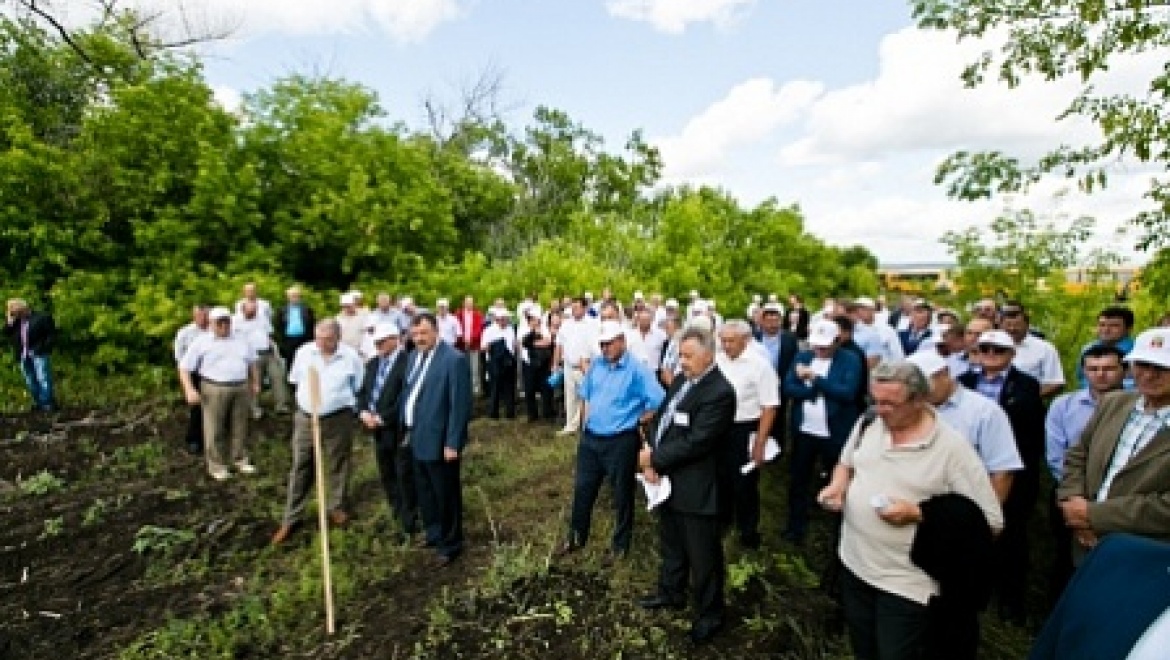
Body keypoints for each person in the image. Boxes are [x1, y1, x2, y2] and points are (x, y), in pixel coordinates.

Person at [818, 361, 1003, 660]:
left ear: (919, 400)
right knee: (864, 650)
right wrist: (838, 486)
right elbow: (847, 461)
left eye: (890, 403)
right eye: (875, 400)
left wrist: (920, 514)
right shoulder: (869, 422)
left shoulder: (952, 450)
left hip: (907, 584)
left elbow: (989, 523)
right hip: (855, 565)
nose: (881, 410)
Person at [636, 327, 737, 645]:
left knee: (703, 555)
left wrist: (654, 459)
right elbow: (662, 420)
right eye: (680, 355)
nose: (682, 361)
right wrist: (652, 455)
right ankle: (671, 593)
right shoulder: (682, 381)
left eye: (688, 356)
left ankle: (710, 614)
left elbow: (698, 442)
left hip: (698, 487)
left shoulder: (719, 392)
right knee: (672, 542)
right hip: (669, 482)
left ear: (709, 355)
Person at [1057, 327, 1170, 565]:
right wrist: (1073, 503)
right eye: (1142, 365)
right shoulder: (1113, 403)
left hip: (1149, 554)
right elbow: (1078, 455)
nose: (1149, 375)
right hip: (1085, 542)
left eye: (1161, 368)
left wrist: (1094, 515)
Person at [958, 330, 1046, 625]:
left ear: (1012, 354)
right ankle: (975, 597)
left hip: (1009, 471)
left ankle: (1011, 604)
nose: (991, 354)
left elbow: (1031, 436)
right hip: (968, 471)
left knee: (1010, 537)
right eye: (985, 348)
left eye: (998, 350)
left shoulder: (1026, 386)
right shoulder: (964, 381)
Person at [558, 321, 664, 561]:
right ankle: (576, 537)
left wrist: (638, 419)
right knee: (583, 490)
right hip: (592, 438)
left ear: (622, 342)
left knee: (622, 494)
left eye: (609, 344)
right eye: (602, 344)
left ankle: (620, 546)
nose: (605, 348)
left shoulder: (636, 370)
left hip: (620, 440)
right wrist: (584, 429)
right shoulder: (597, 366)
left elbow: (658, 400)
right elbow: (586, 396)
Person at [1044, 344, 1125, 603]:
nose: (1101, 374)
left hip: (1118, 502)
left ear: (1124, 371)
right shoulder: (1064, 406)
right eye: (1093, 369)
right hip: (1069, 495)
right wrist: (1075, 502)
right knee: (1066, 560)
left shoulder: (1137, 410)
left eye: (1109, 368)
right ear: (1084, 371)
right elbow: (1057, 456)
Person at [271, 319, 364, 544]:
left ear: (338, 338)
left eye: (328, 340)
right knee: (301, 464)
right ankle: (292, 517)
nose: (322, 343)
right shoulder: (305, 353)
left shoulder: (351, 357)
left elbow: (358, 385)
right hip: (306, 416)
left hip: (337, 418)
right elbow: (295, 380)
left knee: (337, 462)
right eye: (319, 338)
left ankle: (336, 507)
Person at [782, 319, 864, 544]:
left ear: (837, 342)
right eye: (816, 345)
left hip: (835, 433)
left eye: (825, 346)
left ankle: (839, 532)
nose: (819, 350)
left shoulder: (851, 360)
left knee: (837, 480)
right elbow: (788, 386)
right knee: (799, 480)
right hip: (805, 431)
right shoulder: (803, 357)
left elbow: (848, 392)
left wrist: (815, 380)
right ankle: (795, 528)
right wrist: (810, 393)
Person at [401, 313, 472, 567]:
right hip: (416, 435)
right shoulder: (413, 357)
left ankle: (451, 543)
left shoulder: (453, 360)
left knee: (446, 493)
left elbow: (460, 405)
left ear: (436, 332)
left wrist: (453, 442)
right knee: (425, 490)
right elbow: (411, 393)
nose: (419, 338)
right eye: (415, 333)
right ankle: (434, 533)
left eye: (424, 333)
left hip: (441, 439)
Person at [908, 350, 1023, 503]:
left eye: (925, 385)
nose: (921, 392)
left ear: (944, 374)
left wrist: (989, 518)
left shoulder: (985, 412)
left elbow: (1002, 471)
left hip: (965, 507)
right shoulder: (910, 408)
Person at [716, 320, 779, 549]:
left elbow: (769, 406)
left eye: (731, 341)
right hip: (720, 428)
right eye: (722, 340)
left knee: (744, 482)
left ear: (746, 340)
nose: (726, 345)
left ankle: (748, 530)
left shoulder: (760, 366)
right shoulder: (718, 361)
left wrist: (760, 442)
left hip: (745, 427)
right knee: (720, 477)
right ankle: (723, 520)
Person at [178, 307, 260, 481]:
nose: (223, 325)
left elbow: (252, 361)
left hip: (240, 386)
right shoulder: (201, 342)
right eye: (219, 322)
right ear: (211, 323)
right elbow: (185, 367)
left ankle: (239, 459)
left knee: (240, 425)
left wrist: (255, 382)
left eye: (226, 321)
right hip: (213, 387)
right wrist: (189, 389)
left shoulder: (241, 339)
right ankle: (216, 465)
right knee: (214, 427)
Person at [355, 323, 416, 541]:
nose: (378, 345)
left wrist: (382, 418)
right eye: (376, 342)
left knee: (403, 475)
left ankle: (410, 520)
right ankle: (396, 512)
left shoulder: (407, 363)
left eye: (382, 341)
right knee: (387, 472)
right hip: (376, 429)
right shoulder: (372, 364)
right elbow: (363, 391)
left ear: (394, 340)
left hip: (397, 429)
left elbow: (405, 398)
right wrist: (363, 411)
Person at [234, 299, 291, 419]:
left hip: (268, 352)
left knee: (278, 376)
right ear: (243, 310)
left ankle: (281, 406)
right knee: (255, 382)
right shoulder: (236, 321)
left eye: (255, 310)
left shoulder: (262, 318)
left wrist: (275, 350)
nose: (254, 313)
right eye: (251, 311)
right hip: (252, 356)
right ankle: (254, 409)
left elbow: (269, 334)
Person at [552, 297, 600, 435]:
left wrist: (591, 364)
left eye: (577, 307)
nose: (574, 310)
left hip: (586, 366)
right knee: (570, 397)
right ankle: (571, 426)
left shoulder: (593, 324)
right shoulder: (566, 324)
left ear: (585, 308)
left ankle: (588, 427)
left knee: (587, 398)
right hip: (568, 365)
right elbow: (559, 344)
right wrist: (555, 363)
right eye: (573, 308)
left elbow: (596, 347)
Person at [999, 305, 1065, 398]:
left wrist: (1029, 398)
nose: (1012, 329)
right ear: (1000, 326)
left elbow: (1056, 383)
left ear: (1027, 326)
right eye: (1008, 325)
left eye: (1017, 325)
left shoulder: (1045, 348)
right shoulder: (989, 348)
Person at [4, 298, 57, 412]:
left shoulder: (42, 317)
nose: (14, 314)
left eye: (15, 312)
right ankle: (38, 402)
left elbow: (51, 335)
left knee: (43, 378)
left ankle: (47, 403)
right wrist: (9, 322)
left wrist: (43, 348)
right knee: (30, 380)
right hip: (23, 355)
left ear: (22, 309)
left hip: (38, 353)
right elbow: (6, 333)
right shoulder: (16, 322)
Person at [173, 305, 210, 454]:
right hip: (193, 373)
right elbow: (179, 355)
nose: (202, 319)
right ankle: (194, 439)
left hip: (211, 374)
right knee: (197, 407)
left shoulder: (214, 331)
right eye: (199, 316)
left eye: (204, 315)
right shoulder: (185, 332)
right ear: (194, 316)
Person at [1075, 306, 1135, 388]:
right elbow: (1082, 378)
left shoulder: (1136, 352)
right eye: (1102, 325)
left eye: (1114, 326)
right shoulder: (1087, 349)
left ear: (1129, 329)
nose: (1106, 329)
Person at [481, 309, 517, 419]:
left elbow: (513, 344)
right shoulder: (489, 330)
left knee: (509, 387)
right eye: (503, 319)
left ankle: (510, 413)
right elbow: (483, 347)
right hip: (495, 362)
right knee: (495, 388)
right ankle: (493, 413)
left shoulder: (510, 329)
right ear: (497, 320)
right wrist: (494, 346)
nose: (505, 321)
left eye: (506, 319)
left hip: (508, 361)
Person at [520, 310, 556, 422]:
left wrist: (533, 343)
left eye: (537, 319)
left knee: (546, 388)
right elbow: (523, 343)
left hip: (544, 363)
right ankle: (532, 414)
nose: (536, 321)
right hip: (529, 363)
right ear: (529, 320)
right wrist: (535, 342)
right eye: (534, 319)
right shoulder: (523, 329)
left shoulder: (545, 329)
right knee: (529, 389)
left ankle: (547, 412)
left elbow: (548, 342)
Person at [275, 286, 316, 370]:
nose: (295, 298)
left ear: (300, 297)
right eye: (292, 296)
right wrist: (281, 343)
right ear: (288, 297)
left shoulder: (307, 309)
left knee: (305, 361)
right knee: (290, 362)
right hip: (288, 340)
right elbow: (278, 327)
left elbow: (312, 325)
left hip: (304, 339)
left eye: (297, 296)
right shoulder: (282, 310)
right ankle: (291, 382)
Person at [457, 296, 485, 396]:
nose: (469, 304)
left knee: (475, 367)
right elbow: (457, 328)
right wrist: (463, 339)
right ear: (464, 303)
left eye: (471, 302)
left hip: (474, 344)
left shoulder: (478, 315)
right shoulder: (458, 314)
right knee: (461, 366)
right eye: (467, 302)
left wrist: (471, 339)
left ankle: (475, 388)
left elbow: (479, 329)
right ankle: (462, 387)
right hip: (461, 344)